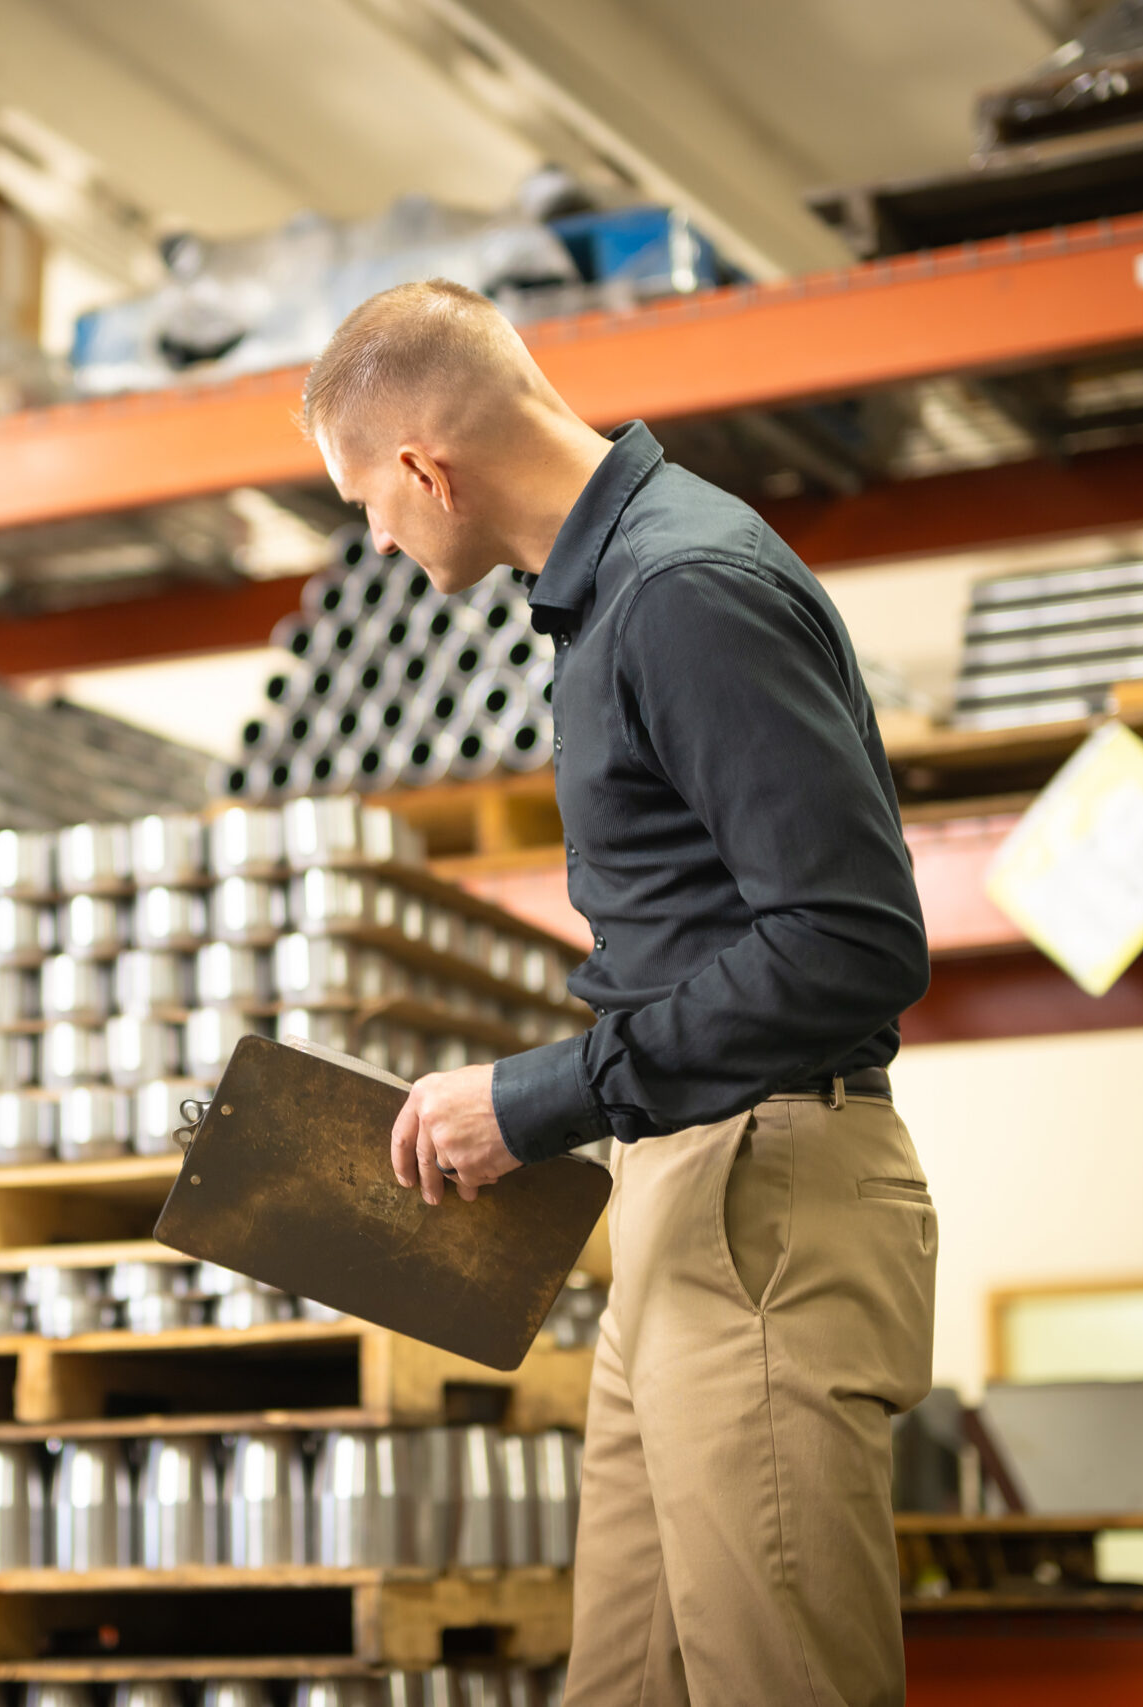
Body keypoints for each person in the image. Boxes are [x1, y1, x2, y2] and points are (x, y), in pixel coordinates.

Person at [302, 279, 937, 1707]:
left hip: (763, 1198)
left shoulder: (683, 590)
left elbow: (849, 940)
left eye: (367, 504)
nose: (377, 537)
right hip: (684, 1195)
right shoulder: (611, 602)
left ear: (424, 467)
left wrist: (536, 1100)